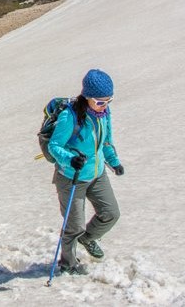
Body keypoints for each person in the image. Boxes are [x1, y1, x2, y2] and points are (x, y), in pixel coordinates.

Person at [47, 68, 124, 276]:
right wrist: (70, 159)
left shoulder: (104, 114)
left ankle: (88, 239)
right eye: (100, 102)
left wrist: (114, 162)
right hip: (71, 177)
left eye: (109, 100)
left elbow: (106, 142)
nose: (104, 105)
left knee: (111, 213)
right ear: (88, 97)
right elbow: (54, 146)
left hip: (97, 174)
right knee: (74, 225)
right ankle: (68, 264)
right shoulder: (69, 116)